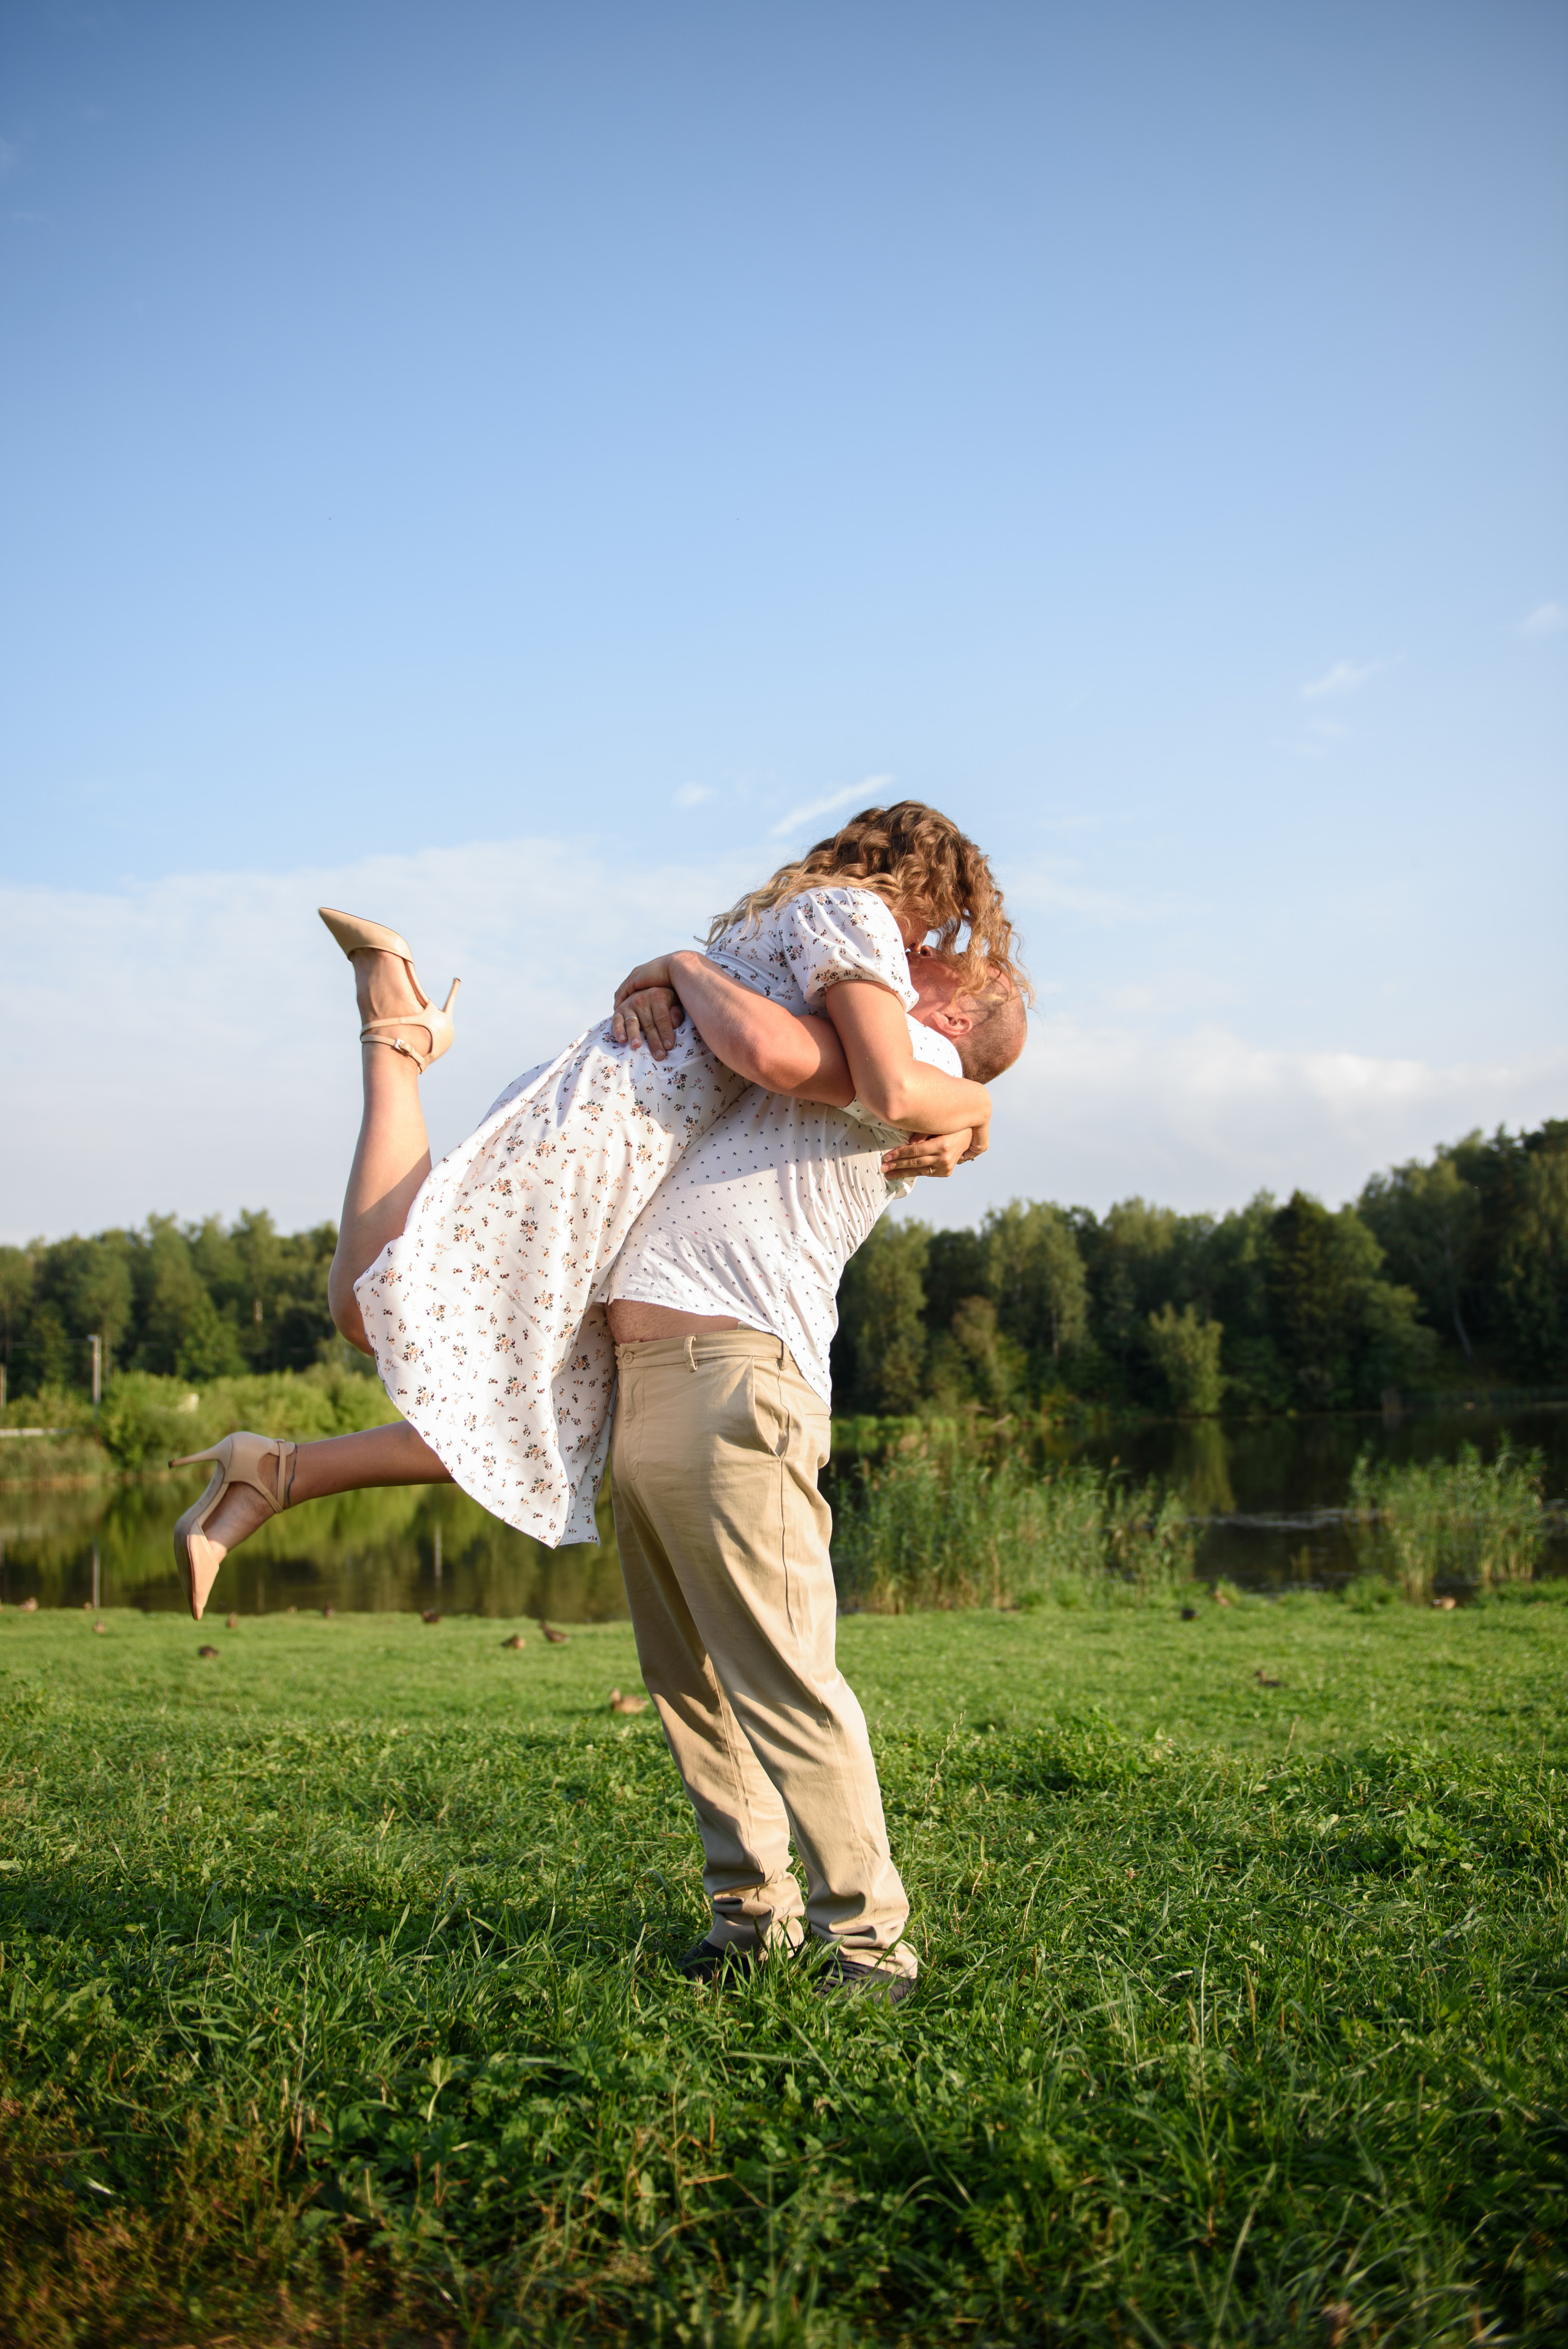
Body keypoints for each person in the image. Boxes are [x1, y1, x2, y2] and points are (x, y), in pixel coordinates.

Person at [171, 803, 1023, 1619]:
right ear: (925, 882)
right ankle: (396, 1033)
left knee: (545, 1404)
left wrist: (679, 972)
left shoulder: (826, 933)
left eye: (958, 953)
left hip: (622, 1143)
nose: (936, 946)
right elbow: (795, 1058)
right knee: (376, 1307)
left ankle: (279, 1473)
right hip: (609, 1131)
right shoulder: (856, 919)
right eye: (947, 929)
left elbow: (789, 1043)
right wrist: (973, 1113)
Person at [590, 939, 1028, 2001]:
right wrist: (660, 977)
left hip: (733, 1371)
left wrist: (681, 962)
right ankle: (751, 1919)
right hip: (656, 1376)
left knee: (784, 1676)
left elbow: (766, 1043)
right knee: (689, 1680)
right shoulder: (873, 1038)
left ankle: (872, 1946)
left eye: (942, 959)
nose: (909, 946)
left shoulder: (903, 1053)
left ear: (959, 1018)